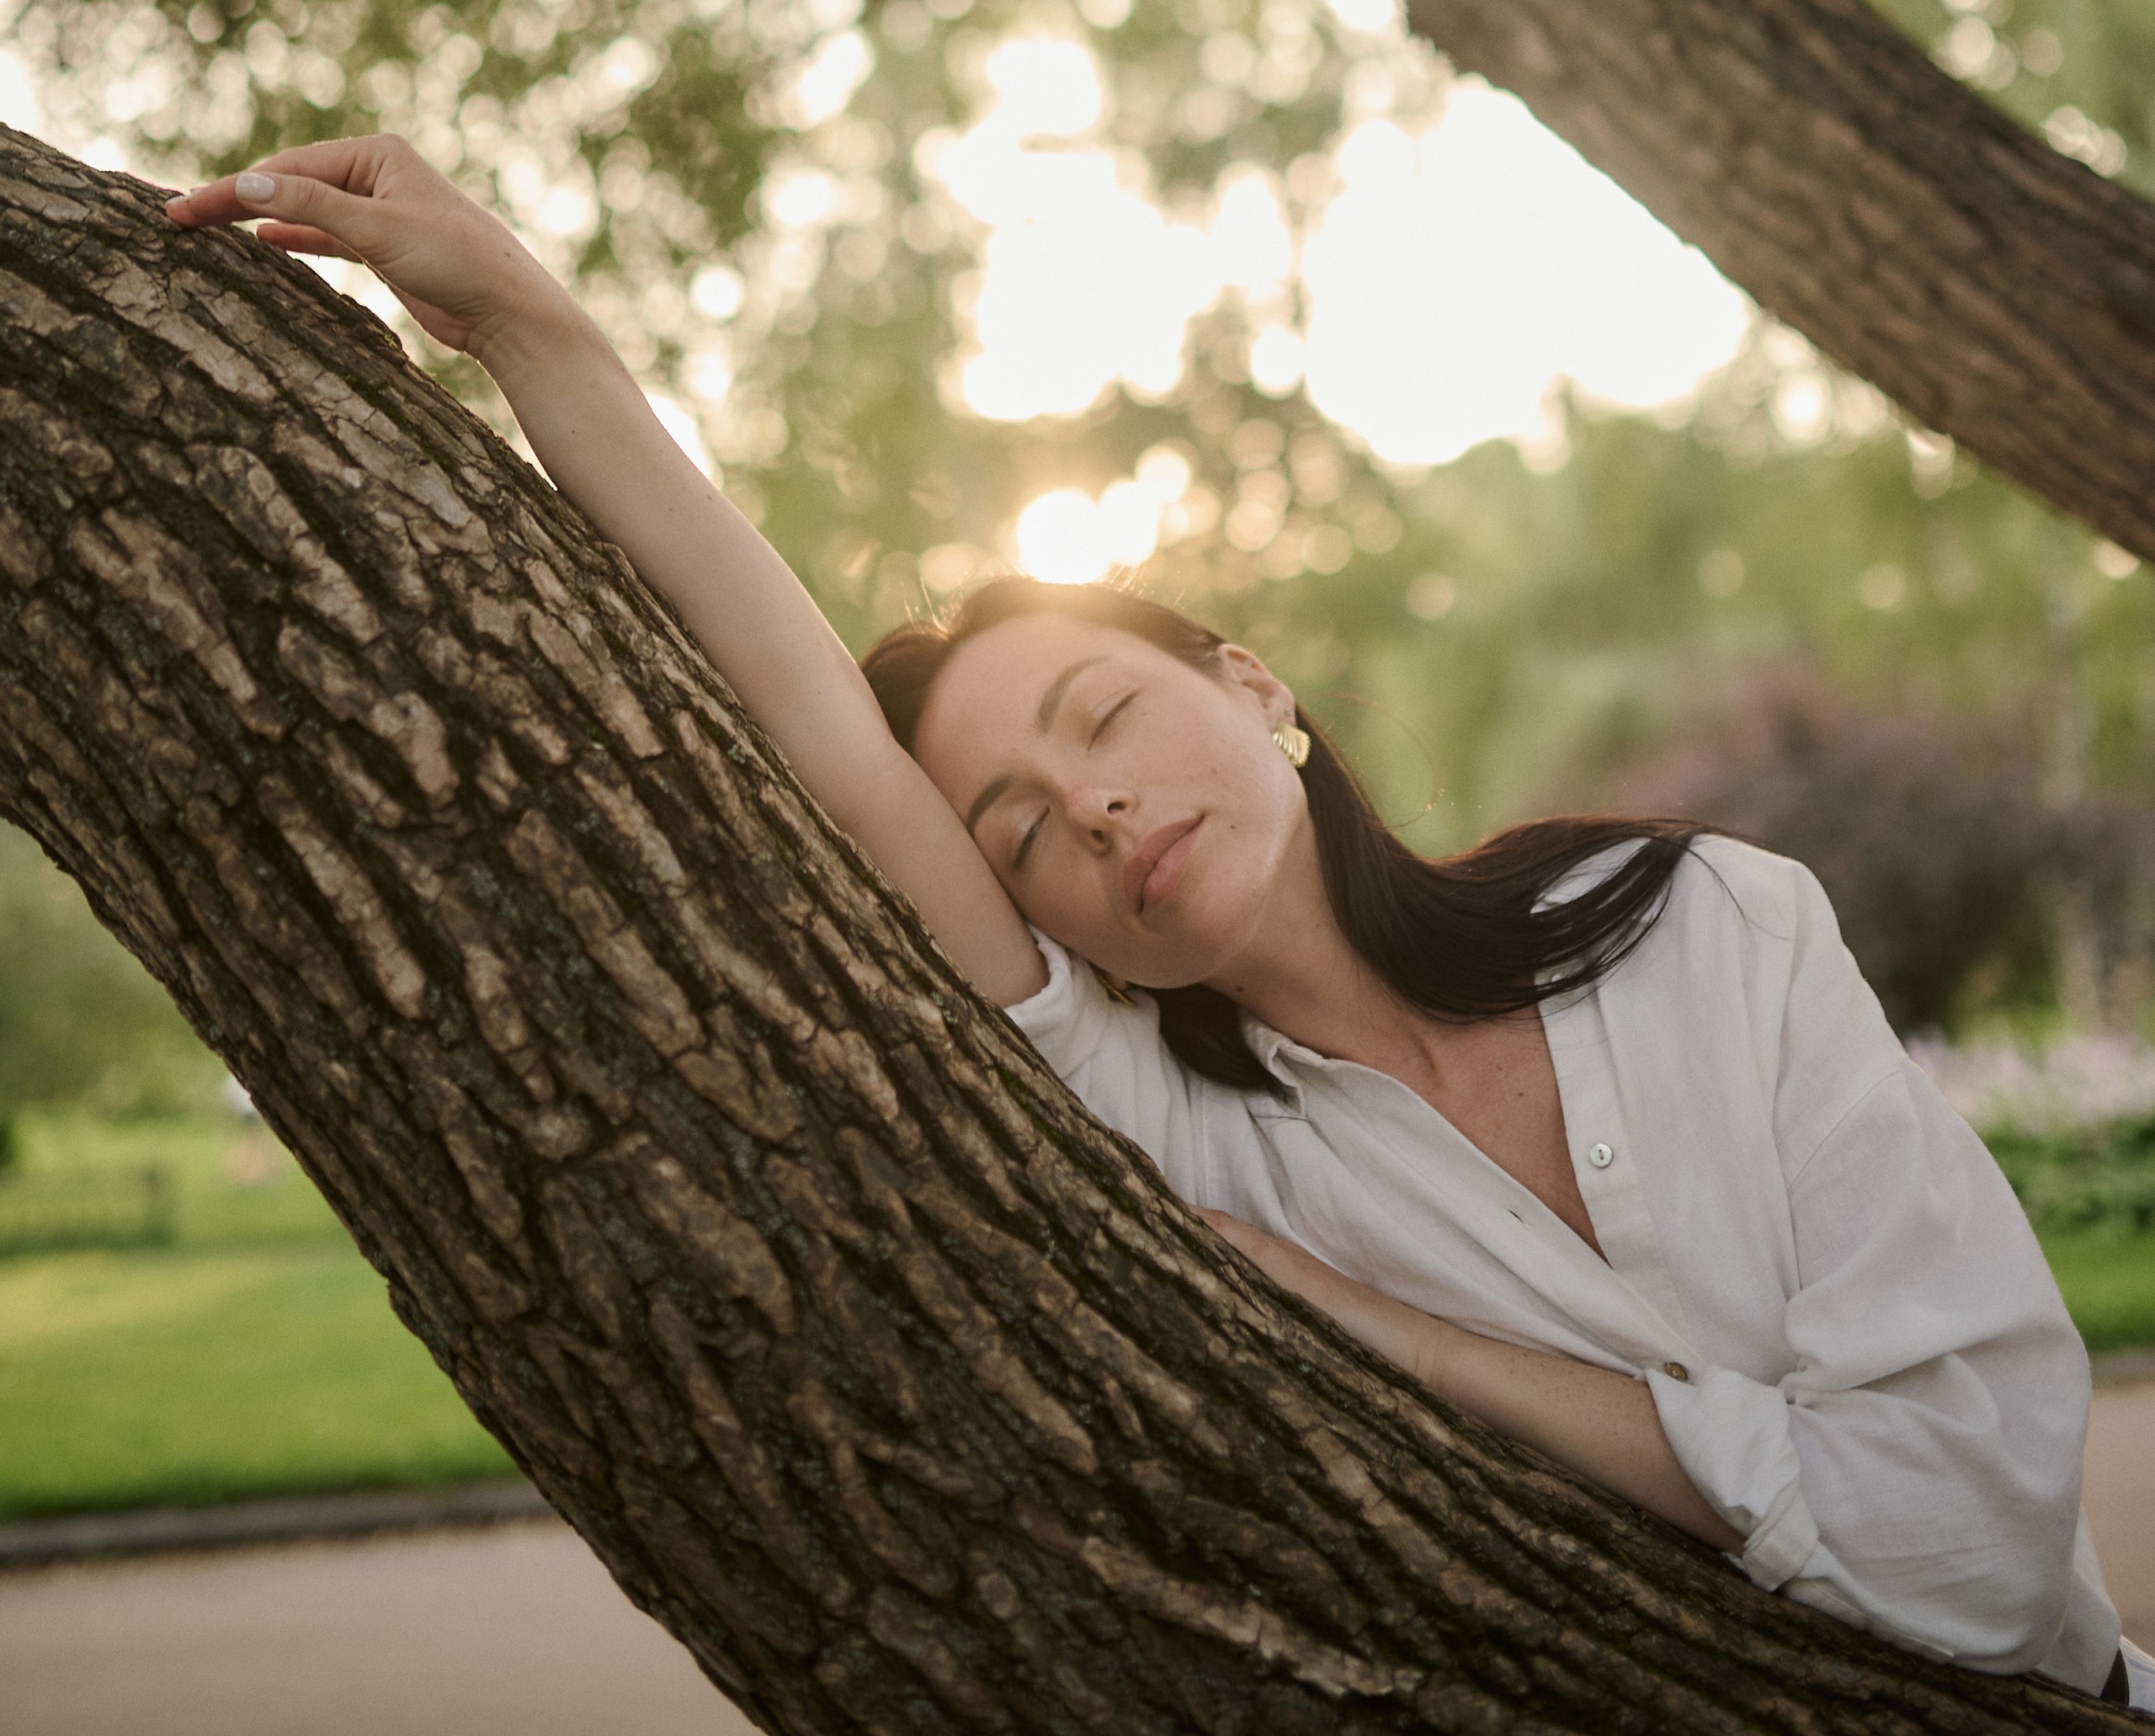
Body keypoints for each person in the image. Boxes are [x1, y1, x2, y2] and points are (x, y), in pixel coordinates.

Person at [168, 131, 2150, 1708]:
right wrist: (533, 331)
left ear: (1257, 688)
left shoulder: (1701, 925)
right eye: (1015, 827)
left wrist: (1407, 1344)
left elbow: (1975, 1553)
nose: (1088, 805)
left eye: (1103, 715)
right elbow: (810, 731)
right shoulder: (1177, 1128)